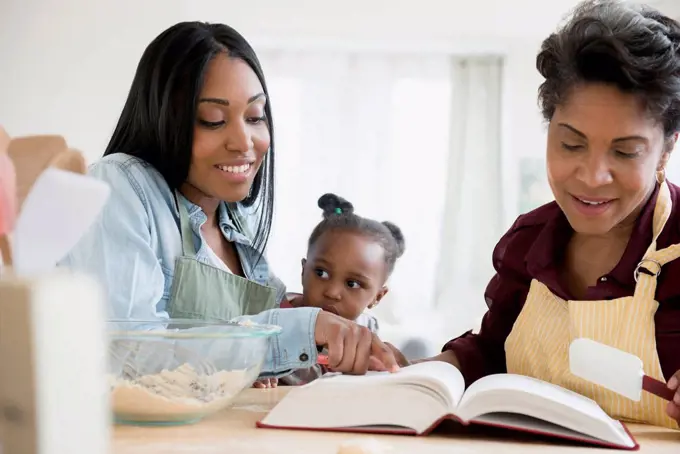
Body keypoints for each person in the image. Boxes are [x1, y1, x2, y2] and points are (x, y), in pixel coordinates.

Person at [389, 0, 680, 429]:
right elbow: (491, 352)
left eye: (625, 151)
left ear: (665, 150)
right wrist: (413, 373)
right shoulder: (528, 242)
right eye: (571, 144)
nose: (593, 176)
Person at [58, 21, 397, 381]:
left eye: (255, 116)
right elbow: (131, 355)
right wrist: (300, 329)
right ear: (164, 120)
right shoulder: (120, 183)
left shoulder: (238, 225)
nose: (244, 141)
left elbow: (284, 331)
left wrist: (349, 337)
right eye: (213, 120)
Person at [274, 193, 405, 386]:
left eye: (353, 284)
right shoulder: (275, 320)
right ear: (303, 270)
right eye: (321, 273)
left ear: (377, 297)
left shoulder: (366, 331)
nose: (332, 292)